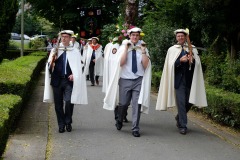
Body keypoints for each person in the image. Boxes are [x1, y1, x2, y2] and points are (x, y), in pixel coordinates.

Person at [155, 29, 207, 135]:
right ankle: (183, 125)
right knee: (181, 103)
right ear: (176, 38)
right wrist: (180, 61)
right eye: (178, 36)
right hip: (178, 81)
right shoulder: (172, 50)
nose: (180, 38)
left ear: (185, 37)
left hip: (190, 80)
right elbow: (169, 66)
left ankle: (179, 117)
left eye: (182, 36)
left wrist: (192, 60)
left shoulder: (193, 49)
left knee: (190, 102)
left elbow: (198, 65)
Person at [103, 27, 152, 137]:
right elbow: (121, 62)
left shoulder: (142, 47)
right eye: (133, 35)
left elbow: (146, 65)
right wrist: (126, 48)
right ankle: (119, 119)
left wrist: (143, 51)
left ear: (139, 36)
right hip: (125, 79)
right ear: (129, 36)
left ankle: (135, 128)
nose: (135, 37)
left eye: (137, 35)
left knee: (136, 104)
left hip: (138, 79)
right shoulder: (123, 47)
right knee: (123, 103)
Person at [43, 30, 88, 133]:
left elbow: (79, 65)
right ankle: (61, 124)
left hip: (68, 81)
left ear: (70, 38)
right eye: (62, 37)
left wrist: (74, 74)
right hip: (57, 80)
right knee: (58, 104)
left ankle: (68, 121)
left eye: (66, 37)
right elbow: (49, 65)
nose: (64, 38)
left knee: (68, 101)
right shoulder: (56, 50)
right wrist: (51, 63)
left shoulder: (74, 51)